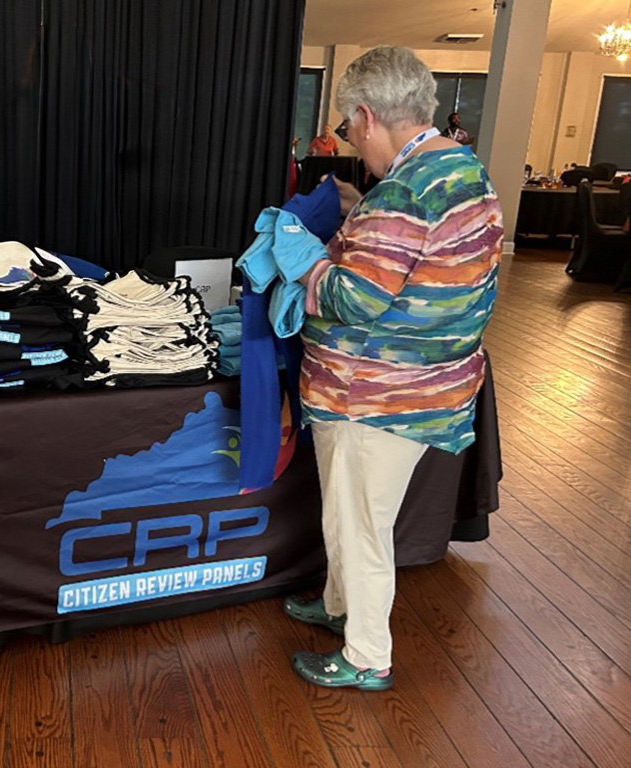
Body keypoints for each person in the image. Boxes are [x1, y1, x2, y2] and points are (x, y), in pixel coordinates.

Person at [282, 46, 503, 690]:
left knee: (359, 524)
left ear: (367, 115)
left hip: (372, 396)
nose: (353, 141)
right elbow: (421, 267)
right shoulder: (461, 170)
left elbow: (353, 299)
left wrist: (302, 256)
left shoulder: (405, 193)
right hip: (427, 389)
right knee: (350, 513)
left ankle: (366, 656)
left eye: (350, 129)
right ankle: (339, 606)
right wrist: (360, 216)